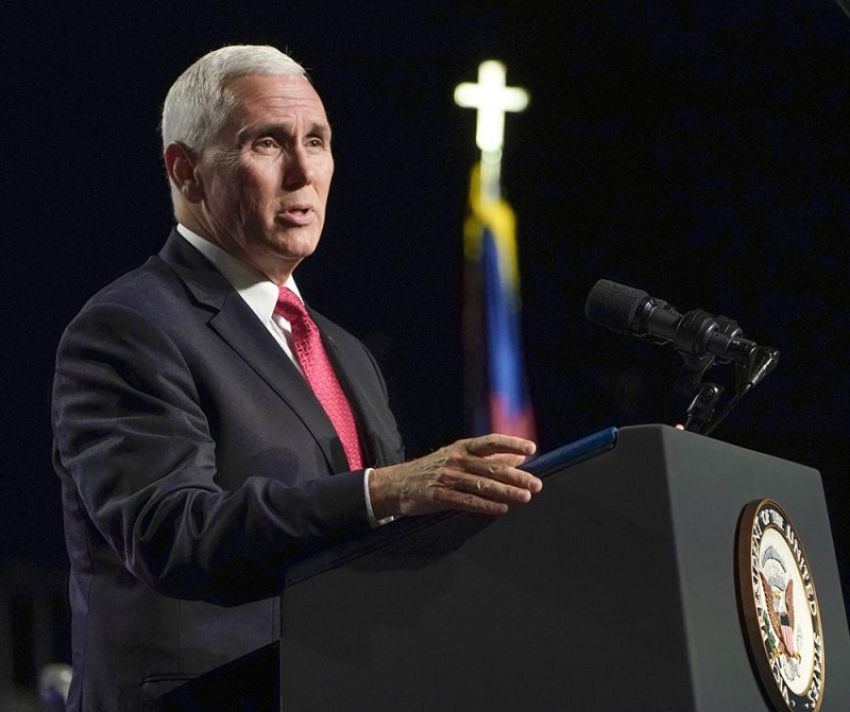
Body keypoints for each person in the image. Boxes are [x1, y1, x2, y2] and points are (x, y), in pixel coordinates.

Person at [51, 45, 541, 710]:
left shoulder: (344, 352)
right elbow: (174, 532)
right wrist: (381, 489)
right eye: (268, 143)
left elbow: (382, 547)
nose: (304, 171)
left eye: (317, 140)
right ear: (186, 171)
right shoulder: (129, 327)